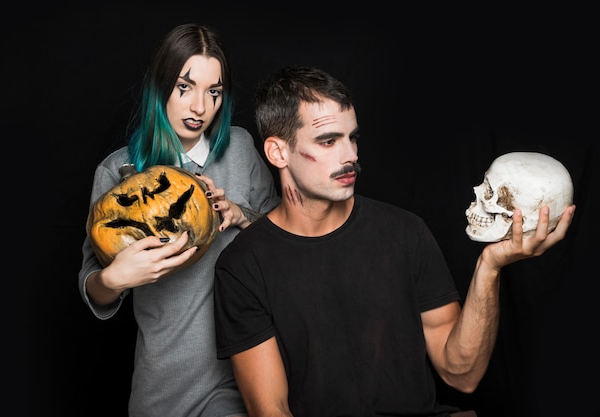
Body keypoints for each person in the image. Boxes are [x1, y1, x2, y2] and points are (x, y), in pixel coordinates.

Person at [213, 66, 576, 416]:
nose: (351, 155)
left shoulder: (406, 232)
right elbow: (270, 409)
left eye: (352, 137)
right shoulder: (244, 265)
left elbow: (461, 375)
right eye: (328, 141)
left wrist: (489, 267)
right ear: (278, 152)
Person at [78, 24, 280, 417]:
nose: (199, 107)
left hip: (244, 371)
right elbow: (93, 287)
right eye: (185, 87)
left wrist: (241, 214)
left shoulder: (239, 148)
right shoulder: (118, 171)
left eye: (213, 92)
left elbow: (284, 239)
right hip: (163, 383)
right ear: (160, 86)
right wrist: (115, 278)